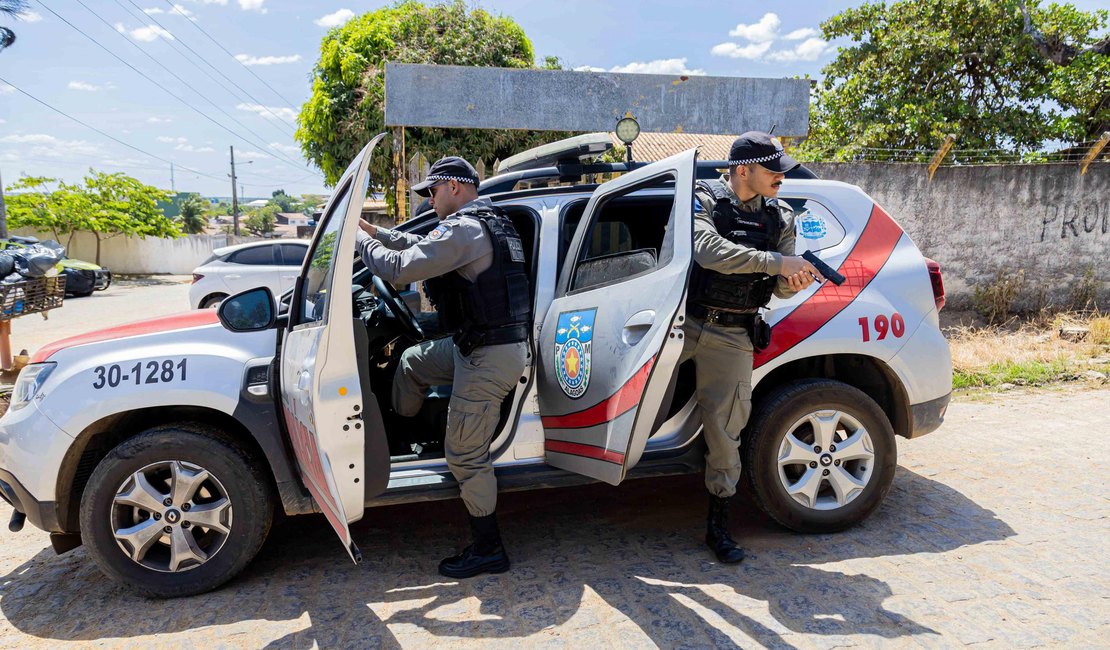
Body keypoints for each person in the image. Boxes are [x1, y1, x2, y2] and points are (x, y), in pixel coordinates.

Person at [355, 156, 531, 578]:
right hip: (475, 345)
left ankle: (489, 549)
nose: (430, 200)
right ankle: (409, 434)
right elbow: (414, 248)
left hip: (490, 356)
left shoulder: (466, 229)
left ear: (454, 186)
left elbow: (398, 268)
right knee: (412, 362)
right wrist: (373, 232)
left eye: (432, 192)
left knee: (466, 455)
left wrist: (357, 243)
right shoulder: (482, 223)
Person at [684, 132, 823, 563]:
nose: (782, 176)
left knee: (726, 431)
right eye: (772, 169)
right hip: (680, 323)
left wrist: (791, 278)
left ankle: (718, 526)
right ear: (743, 170)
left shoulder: (781, 216)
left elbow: (780, 290)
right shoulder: (704, 198)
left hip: (733, 332)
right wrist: (778, 264)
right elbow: (705, 250)